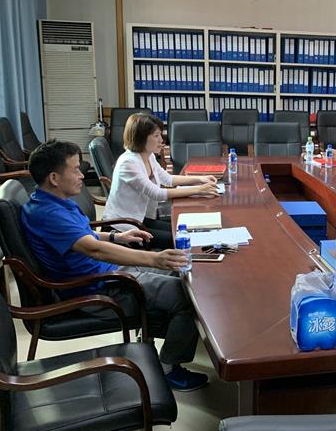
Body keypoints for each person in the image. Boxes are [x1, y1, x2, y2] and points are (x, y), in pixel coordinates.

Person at [22, 140, 208, 391]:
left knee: (180, 270)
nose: (82, 175)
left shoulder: (51, 201)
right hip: (97, 289)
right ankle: (168, 370)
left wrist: (116, 237)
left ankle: (151, 337)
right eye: (75, 169)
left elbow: (83, 235)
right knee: (188, 297)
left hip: (106, 274)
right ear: (54, 178)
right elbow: (93, 249)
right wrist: (153, 259)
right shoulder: (49, 214)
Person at [102, 113, 219, 249]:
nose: (161, 140)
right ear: (141, 138)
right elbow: (157, 193)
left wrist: (200, 179)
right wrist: (199, 190)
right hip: (122, 226)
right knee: (180, 239)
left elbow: (168, 179)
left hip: (139, 218)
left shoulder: (148, 156)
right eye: (156, 136)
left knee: (186, 231)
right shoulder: (128, 163)